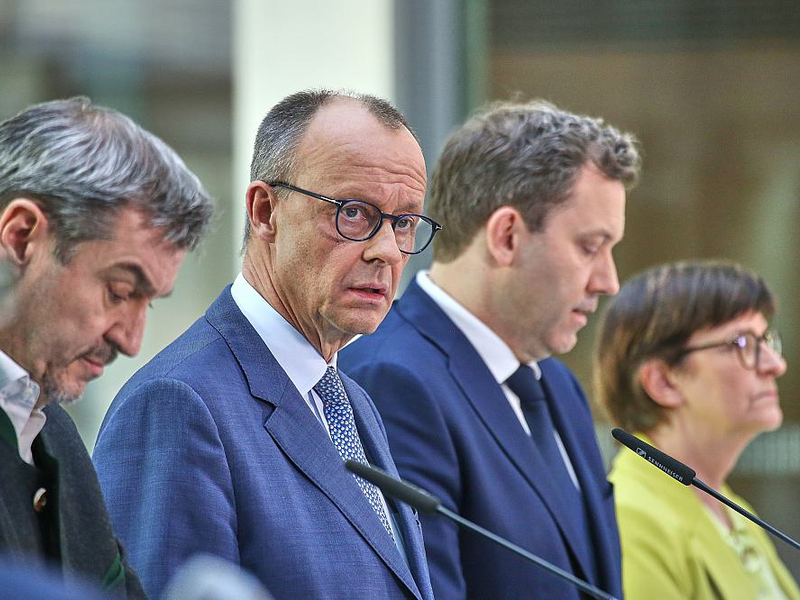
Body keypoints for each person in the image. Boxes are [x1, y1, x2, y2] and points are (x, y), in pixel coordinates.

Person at [93, 89, 439, 599]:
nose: (386, 250)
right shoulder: (178, 404)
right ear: (264, 211)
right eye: (355, 213)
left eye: (404, 222)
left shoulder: (350, 400)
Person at [340, 100, 641, 599]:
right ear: (506, 237)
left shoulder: (557, 385)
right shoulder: (391, 381)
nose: (608, 281)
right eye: (590, 247)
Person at [0, 97, 214, 598]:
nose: (131, 340)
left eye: (149, 304)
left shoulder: (58, 440)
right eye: (119, 291)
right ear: (21, 237)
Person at [595, 261, 800, 600]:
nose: (776, 365)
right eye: (742, 344)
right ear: (662, 381)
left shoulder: (731, 507)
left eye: (766, 341)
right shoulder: (632, 517)